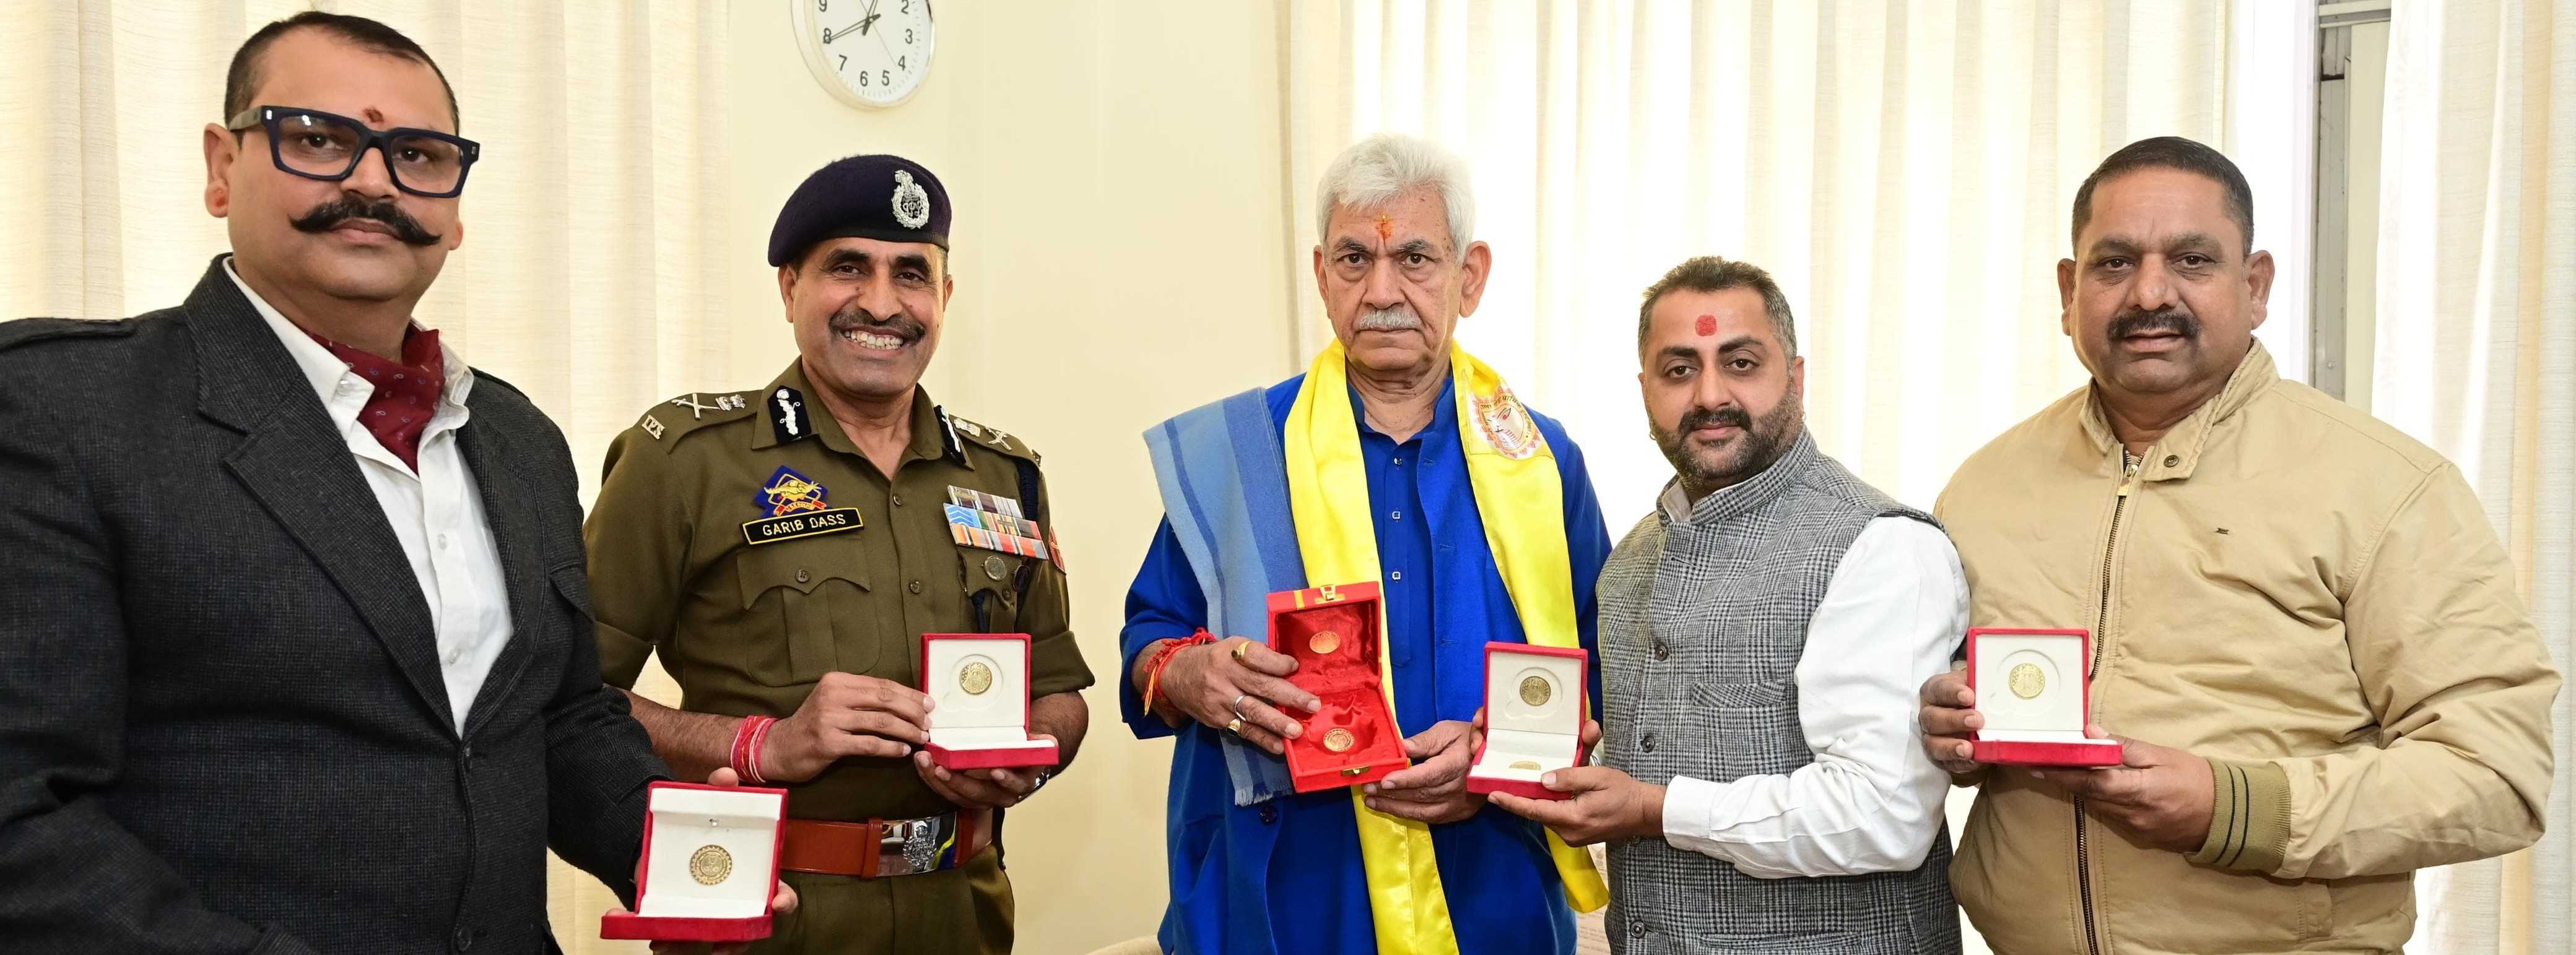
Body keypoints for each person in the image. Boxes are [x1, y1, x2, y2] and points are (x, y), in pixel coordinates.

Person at [0, 12, 786, 953]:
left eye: (417, 155)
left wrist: (685, 862)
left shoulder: (518, 439)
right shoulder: (60, 410)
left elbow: (560, 716)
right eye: (317, 139)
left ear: (455, 212)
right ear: (221, 167)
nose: (373, 182)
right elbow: (24, 816)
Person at [1919, 136, 2561, 954]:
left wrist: (2235, 808)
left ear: (2254, 286)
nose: (2150, 292)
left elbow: (2495, 774)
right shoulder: (1986, 485)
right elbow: (1962, 712)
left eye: (2192, 259)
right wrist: (1951, 732)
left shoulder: (2386, 486)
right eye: (2115, 263)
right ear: (2069, 291)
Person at [585, 153, 1092, 954]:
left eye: (911, 274)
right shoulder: (684, 459)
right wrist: (762, 743)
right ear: (790, 286)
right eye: (848, 267)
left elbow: (1061, 690)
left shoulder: (1005, 473)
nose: (882, 303)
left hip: (961, 909)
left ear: (944, 297)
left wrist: (1029, 751)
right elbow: (573, 697)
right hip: (768, 913)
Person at [1119, 132, 1612, 955]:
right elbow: (1150, 637)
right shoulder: (1243, 454)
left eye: (1414, 258)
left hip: (1491, 890)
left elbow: (1602, 665)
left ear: (1470, 276)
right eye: (1355, 259)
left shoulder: (1541, 459)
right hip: (1284, 895)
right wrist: (1187, 672)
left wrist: (1497, 749)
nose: (1382, 290)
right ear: (1322, 276)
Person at [1492, 256, 1963, 953]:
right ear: (1645, 389)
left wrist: (1656, 809)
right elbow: (1634, 742)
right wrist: (1518, 746)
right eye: (1679, 369)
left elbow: (1882, 814)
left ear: (1795, 378)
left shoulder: (1880, 545)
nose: (1710, 394)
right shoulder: (1632, 558)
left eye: (1740, 363)